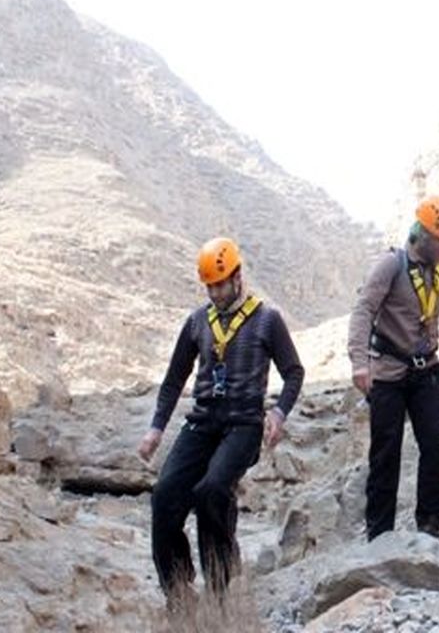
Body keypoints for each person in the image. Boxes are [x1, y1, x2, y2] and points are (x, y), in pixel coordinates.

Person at [138, 237, 304, 609]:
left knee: (211, 490)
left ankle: (220, 582)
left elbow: (294, 372)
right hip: (202, 423)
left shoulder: (267, 319)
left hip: (244, 425)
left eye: (220, 284)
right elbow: (174, 379)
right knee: (164, 496)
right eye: (209, 286)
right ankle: (179, 591)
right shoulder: (197, 322)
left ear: (237, 277)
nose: (215, 293)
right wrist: (156, 428)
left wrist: (278, 413)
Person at [347, 196, 439, 540]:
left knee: (437, 446)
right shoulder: (391, 265)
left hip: (426, 371)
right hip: (388, 372)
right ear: (423, 236)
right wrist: (358, 362)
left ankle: (430, 523)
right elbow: (364, 310)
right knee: (386, 453)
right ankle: (379, 533)